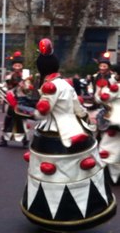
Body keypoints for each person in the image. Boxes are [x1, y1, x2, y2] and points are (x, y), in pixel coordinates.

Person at [18, 38, 116, 232]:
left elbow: (42, 111)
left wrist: (19, 108)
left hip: (54, 132)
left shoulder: (50, 86)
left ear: (41, 69)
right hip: (75, 129)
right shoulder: (65, 83)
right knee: (79, 172)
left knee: (55, 174)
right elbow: (78, 107)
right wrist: (87, 124)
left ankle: (56, 216)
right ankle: (87, 210)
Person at [0, 51, 33, 148]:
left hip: (21, 99)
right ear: (13, 66)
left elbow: (27, 90)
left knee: (22, 119)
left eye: (19, 65)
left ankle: (24, 139)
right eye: (16, 65)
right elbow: (6, 86)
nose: (17, 67)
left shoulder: (25, 77)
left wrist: (26, 87)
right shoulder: (9, 76)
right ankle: (4, 138)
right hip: (11, 99)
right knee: (8, 119)